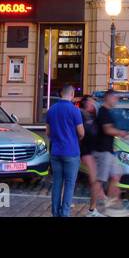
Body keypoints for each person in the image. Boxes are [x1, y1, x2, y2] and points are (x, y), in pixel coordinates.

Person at [44, 84, 84, 217]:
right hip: (71, 152)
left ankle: (55, 212)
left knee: (57, 183)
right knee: (69, 184)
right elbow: (81, 132)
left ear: (61, 94)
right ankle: (65, 213)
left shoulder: (51, 110)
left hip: (56, 151)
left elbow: (48, 132)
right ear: (72, 94)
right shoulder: (75, 110)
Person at [94, 90, 129, 216]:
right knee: (100, 180)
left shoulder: (108, 112)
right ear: (108, 98)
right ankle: (94, 208)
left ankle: (114, 205)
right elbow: (107, 129)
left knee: (116, 175)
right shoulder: (103, 112)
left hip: (109, 150)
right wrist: (121, 133)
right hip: (103, 151)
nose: (116, 100)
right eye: (115, 98)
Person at [78, 94, 104, 217]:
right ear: (86, 103)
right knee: (95, 180)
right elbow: (80, 134)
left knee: (95, 180)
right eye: (91, 102)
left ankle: (93, 208)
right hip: (85, 151)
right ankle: (92, 210)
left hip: (92, 151)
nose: (94, 104)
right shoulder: (81, 114)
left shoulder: (93, 116)